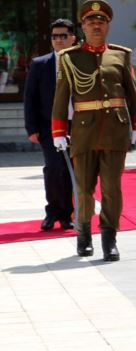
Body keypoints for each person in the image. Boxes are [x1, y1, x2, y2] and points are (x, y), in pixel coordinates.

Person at [51, 0, 136, 262]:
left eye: (101, 21)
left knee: (112, 188)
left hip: (115, 130)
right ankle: (83, 234)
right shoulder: (69, 58)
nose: (96, 25)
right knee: (83, 188)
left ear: (108, 26)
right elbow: (61, 97)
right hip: (83, 133)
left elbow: (133, 95)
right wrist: (58, 130)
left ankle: (109, 237)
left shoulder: (121, 55)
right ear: (83, 26)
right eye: (91, 21)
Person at [24, 18, 78, 231]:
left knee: (71, 171)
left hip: (78, 126)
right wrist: (32, 128)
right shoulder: (40, 64)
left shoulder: (81, 62)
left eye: (63, 36)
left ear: (73, 38)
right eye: (54, 36)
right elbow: (30, 98)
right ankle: (52, 212)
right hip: (49, 127)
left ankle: (67, 214)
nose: (58, 40)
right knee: (54, 169)